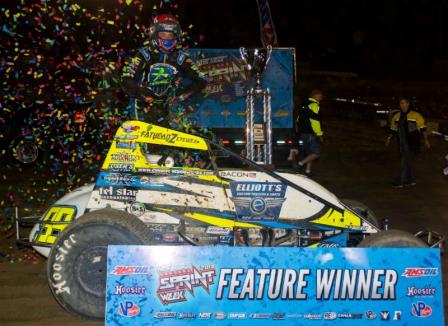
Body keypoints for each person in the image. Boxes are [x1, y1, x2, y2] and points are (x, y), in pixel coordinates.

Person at [121, 14, 207, 128]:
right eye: (163, 34)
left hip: (168, 107)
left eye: (170, 35)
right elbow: (126, 78)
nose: (167, 39)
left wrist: (180, 96)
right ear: (154, 34)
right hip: (143, 105)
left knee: (167, 141)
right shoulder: (144, 54)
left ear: (176, 37)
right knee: (143, 140)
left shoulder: (180, 57)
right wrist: (141, 94)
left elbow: (202, 79)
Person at [385, 97, 430, 188]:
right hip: (401, 143)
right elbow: (393, 129)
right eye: (400, 103)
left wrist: (426, 140)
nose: (402, 105)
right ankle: (411, 180)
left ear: (408, 104)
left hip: (413, 143)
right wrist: (388, 139)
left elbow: (423, 129)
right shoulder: (396, 116)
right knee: (408, 162)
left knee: (404, 161)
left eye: (403, 103)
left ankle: (401, 181)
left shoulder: (416, 116)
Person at [295, 89, 324, 176]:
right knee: (316, 153)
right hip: (311, 133)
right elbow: (315, 121)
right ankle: (300, 163)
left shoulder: (304, 104)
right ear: (315, 96)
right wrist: (320, 134)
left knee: (309, 153)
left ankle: (307, 171)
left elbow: (298, 119)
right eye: (320, 95)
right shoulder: (314, 105)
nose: (322, 97)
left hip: (303, 133)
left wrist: (299, 130)